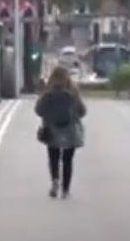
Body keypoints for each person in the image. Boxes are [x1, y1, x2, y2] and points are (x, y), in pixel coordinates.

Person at [35, 65, 86, 198]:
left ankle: (55, 180)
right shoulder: (73, 92)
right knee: (67, 160)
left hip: (52, 130)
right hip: (70, 131)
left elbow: (38, 110)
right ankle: (65, 190)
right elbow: (82, 111)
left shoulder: (48, 93)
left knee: (53, 158)